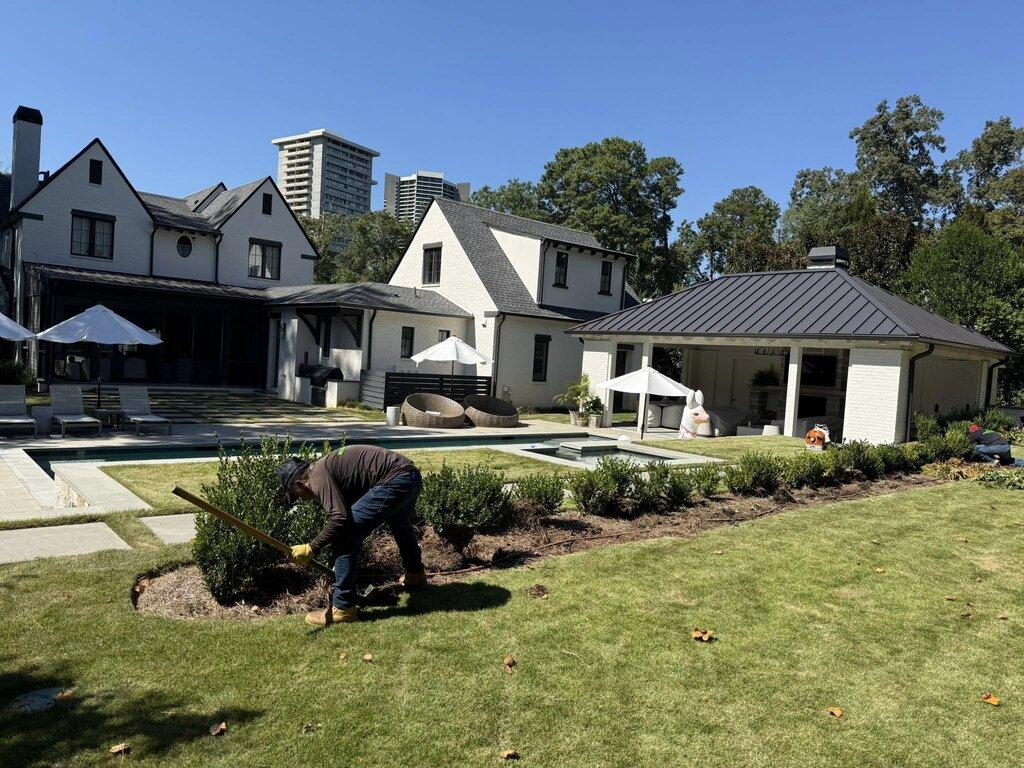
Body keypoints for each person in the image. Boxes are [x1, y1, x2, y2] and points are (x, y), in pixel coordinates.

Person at [278, 445, 427, 626]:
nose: (300, 500)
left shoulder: (316, 477)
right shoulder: (324, 469)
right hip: (410, 476)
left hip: (395, 479)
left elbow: (340, 519)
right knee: (400, 525)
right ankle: (416, 576)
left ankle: (343, 608)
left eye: (296, 496)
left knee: (344, 536)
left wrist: (311, 547)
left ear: (300, 484)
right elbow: (347, 510)